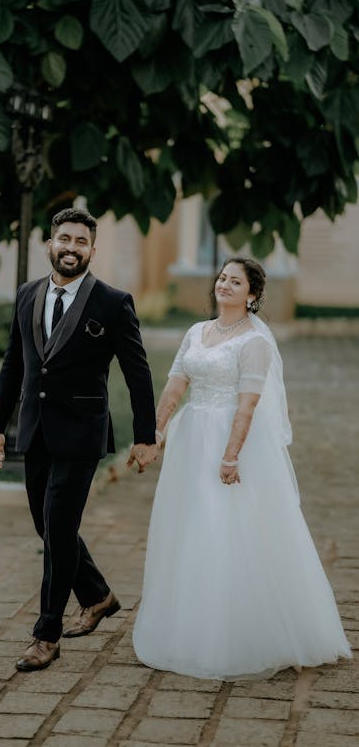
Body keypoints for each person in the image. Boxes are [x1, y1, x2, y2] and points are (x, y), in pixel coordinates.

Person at [133, 257, 351, 680]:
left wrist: (231, 456)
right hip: (192, 439)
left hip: (231, 443)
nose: (225, 284)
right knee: (189, 525)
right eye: (222, 278)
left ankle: (233, 635)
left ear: (252, 295)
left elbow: (249, 404)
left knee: (223, 527)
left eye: (236, 281)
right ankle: (188, 628)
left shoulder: (255, 342)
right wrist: (154, 436)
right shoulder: (197, 332)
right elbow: (175, 387)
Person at [0, 207, 158, 672]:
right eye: (65, 238)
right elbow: (13, 363)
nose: (71, 248)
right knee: (47, 526)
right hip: (36, 429)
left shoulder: (113, 302)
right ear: (50, 243)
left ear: (92, 250)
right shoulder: (27, 294)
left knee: (58, 527)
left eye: (81, 242)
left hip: (83, 433)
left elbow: (138, 374)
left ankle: (46, 634)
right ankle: (98, 595)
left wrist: (146, 436)